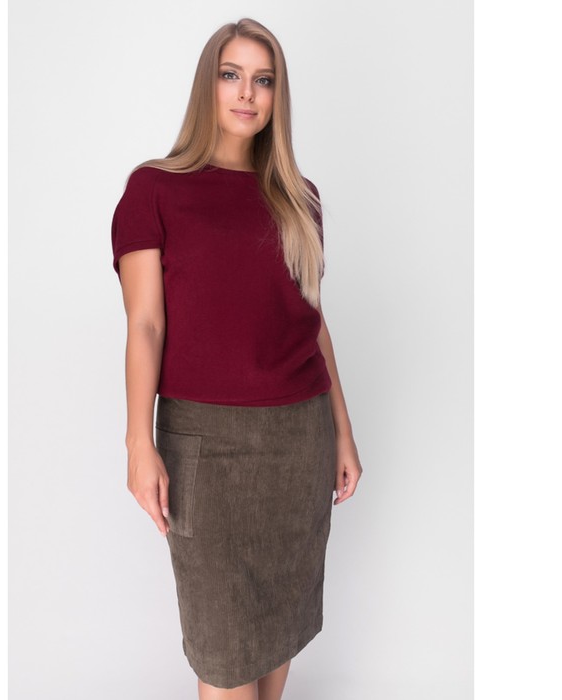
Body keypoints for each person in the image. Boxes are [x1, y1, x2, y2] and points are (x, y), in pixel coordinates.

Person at [111, 17, 363, 700]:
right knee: (224, 657)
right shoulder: (155, 189)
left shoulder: (299, 197)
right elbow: (145, 324)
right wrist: (138, 442)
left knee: (278, 632)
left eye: (263, 79)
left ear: (278, 95)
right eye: (231, 75)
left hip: (299, 439)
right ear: (209, 85)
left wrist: (342, 431)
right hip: (205, 444)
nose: (247, 93)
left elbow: (312, 323)